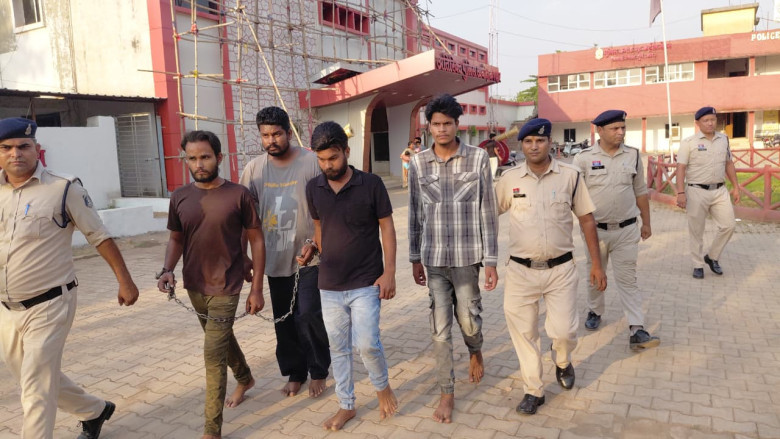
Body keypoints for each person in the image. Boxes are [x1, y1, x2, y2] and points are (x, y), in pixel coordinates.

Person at [0, 117, 140, 439]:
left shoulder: (63, 188)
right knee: (31, 376)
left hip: (50, 303)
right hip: (7, 307)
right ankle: (95, 410)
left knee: (35, 389)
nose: (15, 154)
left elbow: (98, 235)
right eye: (6, 148)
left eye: (23, 146)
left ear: (36, 148)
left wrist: (125, 281)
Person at [157, 130, 265, 439]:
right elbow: (176, 239)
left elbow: (257, 240)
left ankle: (211, 430)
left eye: (205, 157)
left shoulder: (238, 195)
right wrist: (167, 269)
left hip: (227, 285)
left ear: (219, 157)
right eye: (191, 158)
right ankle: (245, 378)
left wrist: (257, 288)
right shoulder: (179, 197)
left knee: (212, 355)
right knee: (220, 339)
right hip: (194, 284)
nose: (199, 164)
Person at [496, 118, 607, 415]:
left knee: (564, 331)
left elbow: (586, 219)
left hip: (561, 270)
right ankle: (533, 390)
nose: (534, 146)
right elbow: (487, 214)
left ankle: (562, 359)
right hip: (520, 271)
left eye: (540, 140)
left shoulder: (570, 176)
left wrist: (597, 264)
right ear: (521, 145)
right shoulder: (509, 179)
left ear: (550, 143)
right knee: (524, 333)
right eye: (528, 141)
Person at [408, 93, 499, 423]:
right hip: (434, 260)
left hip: (467, 259)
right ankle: (447, 393)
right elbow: (415, 213)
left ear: (458, 124)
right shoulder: (418, 163)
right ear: (428, 127)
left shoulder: (477, 159)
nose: (442, 129)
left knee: (469, 321)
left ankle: (475, 350)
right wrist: (414, 258)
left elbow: (488, 210)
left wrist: (491, 261)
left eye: (448, 123)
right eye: (436, 124)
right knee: (440, 330)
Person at [305, 121, 398, 431]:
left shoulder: (371, 184)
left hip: (366, 281)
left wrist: (389, 272)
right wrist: (312, 248)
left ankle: (382, 386)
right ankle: (346, 405)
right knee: (338, 348)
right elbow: (319, 228)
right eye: (321, 159)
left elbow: (387, 228)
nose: (327, 165)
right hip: (329, 284)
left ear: (346, 151)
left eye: (333, 158)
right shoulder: (313, 188)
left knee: (368, 343)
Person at [239, 106, 330, 398]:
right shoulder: (254, 170)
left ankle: (318, 370)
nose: (271, 140)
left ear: (288, 133)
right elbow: (243, 218)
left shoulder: (310, 162)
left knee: (309, 314)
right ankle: (295, 372)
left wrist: (316, 242)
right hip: (274, 257)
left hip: (310, 256)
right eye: (265, 135)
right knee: (284, 319)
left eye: (276, 134)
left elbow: (327, 207)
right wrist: (243, 255)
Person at [573, 110, 660, 351]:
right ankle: (595, 310)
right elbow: (574, 196)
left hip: (626, 229)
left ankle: (636, 328)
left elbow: (640, 191)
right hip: (595, 232)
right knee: (594, 275)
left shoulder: (632, 155)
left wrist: (647, 222)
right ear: (599, 130)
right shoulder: (583, 158)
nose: (620, 132)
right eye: (615, 128)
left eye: (623, 128)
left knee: (628, 279)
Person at [675, 107, 740, 279]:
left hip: (720, 190)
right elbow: (681, 168)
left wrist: (736, 186)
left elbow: (728, 163)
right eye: (706, 120)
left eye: (713, 119)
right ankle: (698, 264)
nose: (710, 123)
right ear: (697, 123)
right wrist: (680, 192)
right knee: (697, 231)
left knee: (729, 225)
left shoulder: (723, 139)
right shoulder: (688, 142)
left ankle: (712, 257)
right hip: (696, 191)